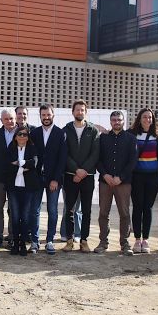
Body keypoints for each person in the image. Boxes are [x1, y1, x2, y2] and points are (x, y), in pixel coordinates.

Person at [95, 111, 137, 256]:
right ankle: (103, 242)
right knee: (103, 213)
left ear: (123, 121)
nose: (116, 122)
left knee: (124, 214)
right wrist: (105, 174)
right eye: (114, 120)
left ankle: (125, 244)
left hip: (123, 183)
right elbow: (97, 159)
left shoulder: (131, 139)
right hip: (105, 181)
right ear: (110, 121)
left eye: (119, 120)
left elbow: (133, 161)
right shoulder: (103, 138)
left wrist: (121, 177)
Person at [62, 100, 100, 252]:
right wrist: (76, 170)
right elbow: (64, 153)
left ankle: (84, 240)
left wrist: (83, 171)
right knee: (69, 210)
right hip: (70, 176)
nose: (79, 112)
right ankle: (69, 240)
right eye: (77, 110)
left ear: (86, 111)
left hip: (88, 176)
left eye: (82, 110)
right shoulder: (66, 130)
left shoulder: (93, 130)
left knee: (86, 210)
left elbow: (95, 153)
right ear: (73, 112)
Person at [30, 104, 66, 255]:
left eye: (48, 115)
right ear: (40, 116)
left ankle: (50, 240)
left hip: (53, 179)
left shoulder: (60, 133)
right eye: (43, 115)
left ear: (53, 115)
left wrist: (56, 179)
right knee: (34, 211)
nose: (46, 117)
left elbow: (62, 159)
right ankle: (34, 240)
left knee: (52, 210)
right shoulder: (34, 133)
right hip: (37, 178)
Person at [129, 108, 158, 254]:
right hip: (137, 176)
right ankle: (136, 239)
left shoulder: (157, 135)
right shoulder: (132, 134)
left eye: (149, 117)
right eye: (144, 117)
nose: (147, 119)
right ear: (139, 119)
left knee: (147, 208)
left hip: (153, 176)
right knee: (137, 207)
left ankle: (145, 239)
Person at [4, 126, 40, 256]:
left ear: (28, 137)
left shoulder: (32, 148)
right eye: (19, 134)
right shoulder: (10, 148)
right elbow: (7, 166)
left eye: (25, 134)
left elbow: (34, 164)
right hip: (13, 188)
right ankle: (15, 242)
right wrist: (23, 167)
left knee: (25, 217)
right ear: (15, 136)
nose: (22, 136)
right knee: (15, 216)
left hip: (28, 188)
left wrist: (19, 162)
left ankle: (23, 243)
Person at [0, 109, 16, 248]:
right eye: (6, 119)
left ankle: (12, 236)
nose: (9, 121)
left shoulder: (22, 133)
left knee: (13, 208)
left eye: (11, 118)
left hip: (16, 178)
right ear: (1, 121)